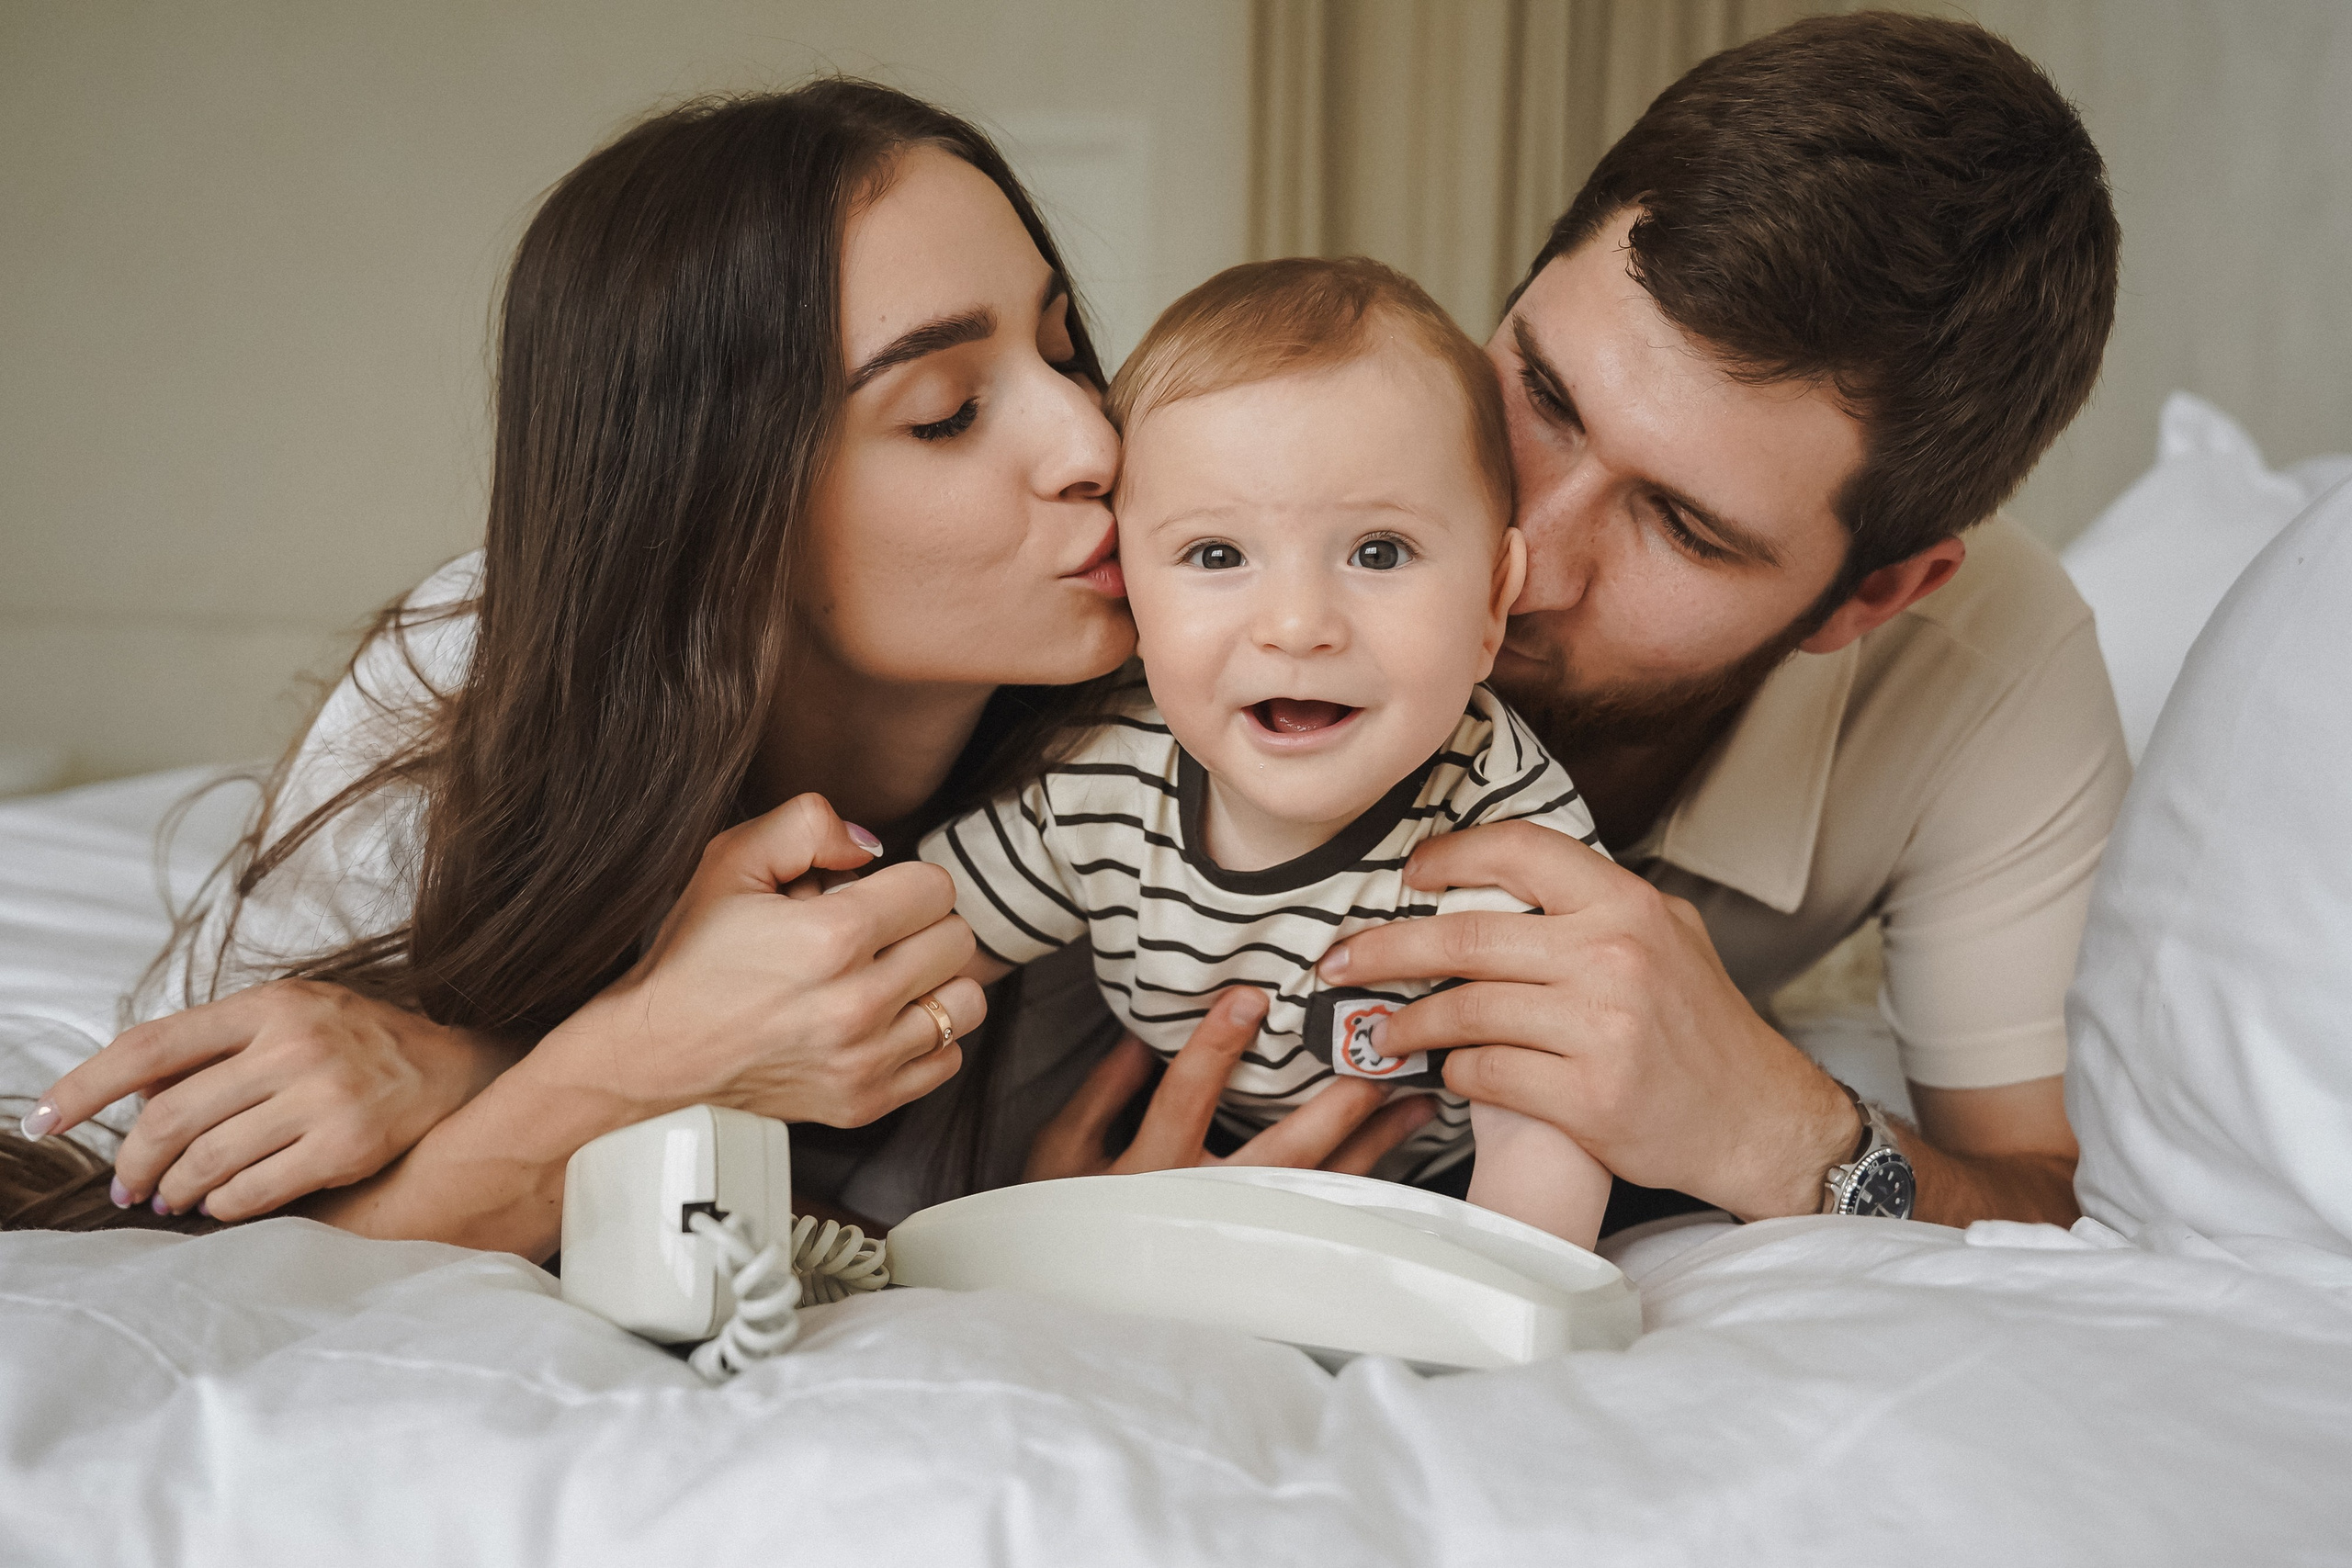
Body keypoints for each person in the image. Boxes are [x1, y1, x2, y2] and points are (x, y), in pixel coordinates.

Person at [7, 82, 1435, 1249]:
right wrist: (640, 1054)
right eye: (946, 411)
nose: (1093, 444)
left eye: (1069, 352)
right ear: (723, 501)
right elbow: (183, 1270)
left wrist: (1081, 1242)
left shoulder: (1179, 732)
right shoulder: (468, 692)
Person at [1025, 12, 2128, 1234]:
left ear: (1871, 595)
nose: (1527, 557)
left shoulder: (1988, 672)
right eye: (1544, 395)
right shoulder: (1254, 496)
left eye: (1685, 527)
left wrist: (1781, 1130)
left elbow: (2050, 1198)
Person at [925, 256, 1611, 1245]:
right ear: (1126, 584)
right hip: (1182, 1153)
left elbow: (1542, 1121)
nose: (1297, 625)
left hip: (1445, 1189)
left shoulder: (1499, 821)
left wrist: (1490, 1317)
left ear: (1493, 602)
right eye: (1216, 555)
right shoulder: (1101, 775)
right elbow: (913, 956)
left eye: (1378, 552)